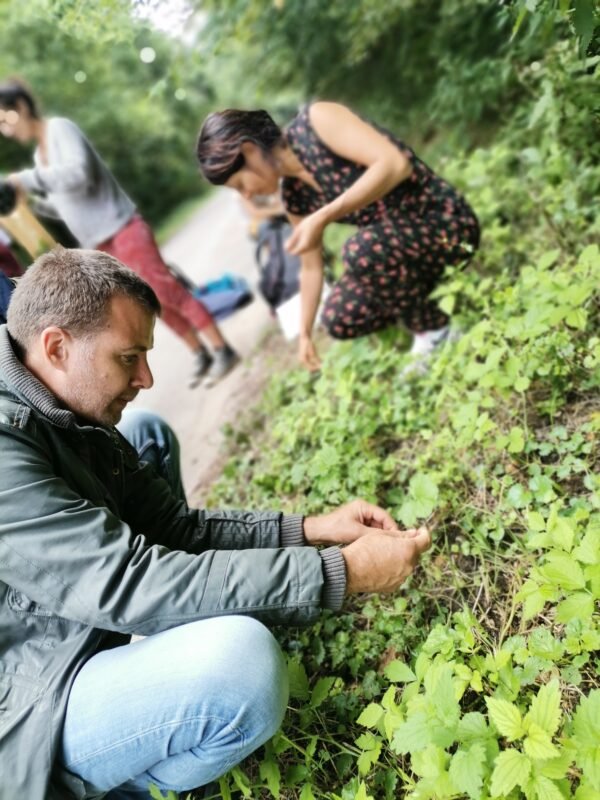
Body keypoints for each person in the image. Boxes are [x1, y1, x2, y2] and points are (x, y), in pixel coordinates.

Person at [0, 246, 431, 800]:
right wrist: (337, 573)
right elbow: (129, 583)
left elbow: (176, 530)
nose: (147, 376)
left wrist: (314, 530)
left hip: (69, 631)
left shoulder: (56, 399)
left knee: (147, 430)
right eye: (129, 357)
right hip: (24, 701)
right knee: (240, 666)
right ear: (56, 347)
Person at [197, 102, 480, 371]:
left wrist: (323, 216)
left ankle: (435, 329)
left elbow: (395, 164)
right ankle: (430, 302)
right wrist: (305, 333)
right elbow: (311, 267)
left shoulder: (317, 122)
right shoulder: (295, 197)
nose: (247, 195)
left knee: (361, 250)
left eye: (240, 184)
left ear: (249, 150)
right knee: (339, 315)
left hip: (445, 226)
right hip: (399, 250)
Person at [0, 78, 238, 388]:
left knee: (166, 291)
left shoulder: (60, 129)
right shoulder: (38, 157)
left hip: (123, 227)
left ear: (21, 107)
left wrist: (26, 181)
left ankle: (222, 349)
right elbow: (66, 205)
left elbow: (79, 173)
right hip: (100, 242)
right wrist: (28, 203)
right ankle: (200, 353)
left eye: (5, 119)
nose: (5, 130)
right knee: (147, 301)